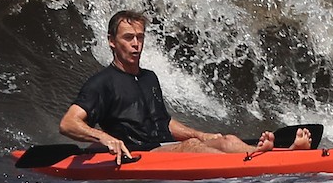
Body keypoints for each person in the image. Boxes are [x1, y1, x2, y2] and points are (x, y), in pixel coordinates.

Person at [59, 9, 313, 163]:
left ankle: (280, 154)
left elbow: (163, 122)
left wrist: (201, 134)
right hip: (140, 154)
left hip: (163, 146)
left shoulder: (148, 78)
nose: (136, 44)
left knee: (226, 139)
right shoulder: (102, 83)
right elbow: (69, 123)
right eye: (128, 38)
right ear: (112, 42)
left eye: (140, 37)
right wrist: (104, 138)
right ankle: (257, 161)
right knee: (192, 148)